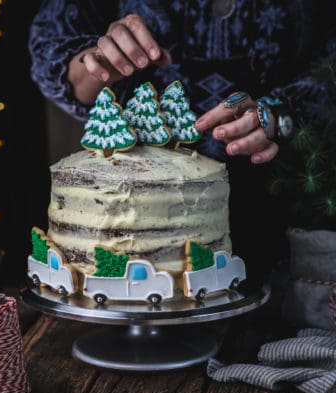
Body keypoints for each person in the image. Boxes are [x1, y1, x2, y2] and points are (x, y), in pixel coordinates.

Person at [28, 0, 335, 287]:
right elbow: (57, 58)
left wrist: (283, 111)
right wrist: (100, 63)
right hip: (128, 187)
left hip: (294, 212)